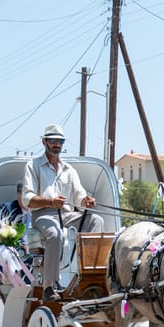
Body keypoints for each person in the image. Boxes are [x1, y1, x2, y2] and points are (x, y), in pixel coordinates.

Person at [22, 124, 104, 302]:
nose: (57, 145)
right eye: (53, 141)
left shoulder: (69, 170)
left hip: (66, 215)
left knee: (96, 220)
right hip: (43, 214)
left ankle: (89, 275)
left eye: (60, 141)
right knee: (54, 234)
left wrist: (85, 201)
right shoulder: (33, 166)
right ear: (44, 142)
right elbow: (27, 198)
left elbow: (79, 196)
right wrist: (51, 202)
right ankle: (49, 285)